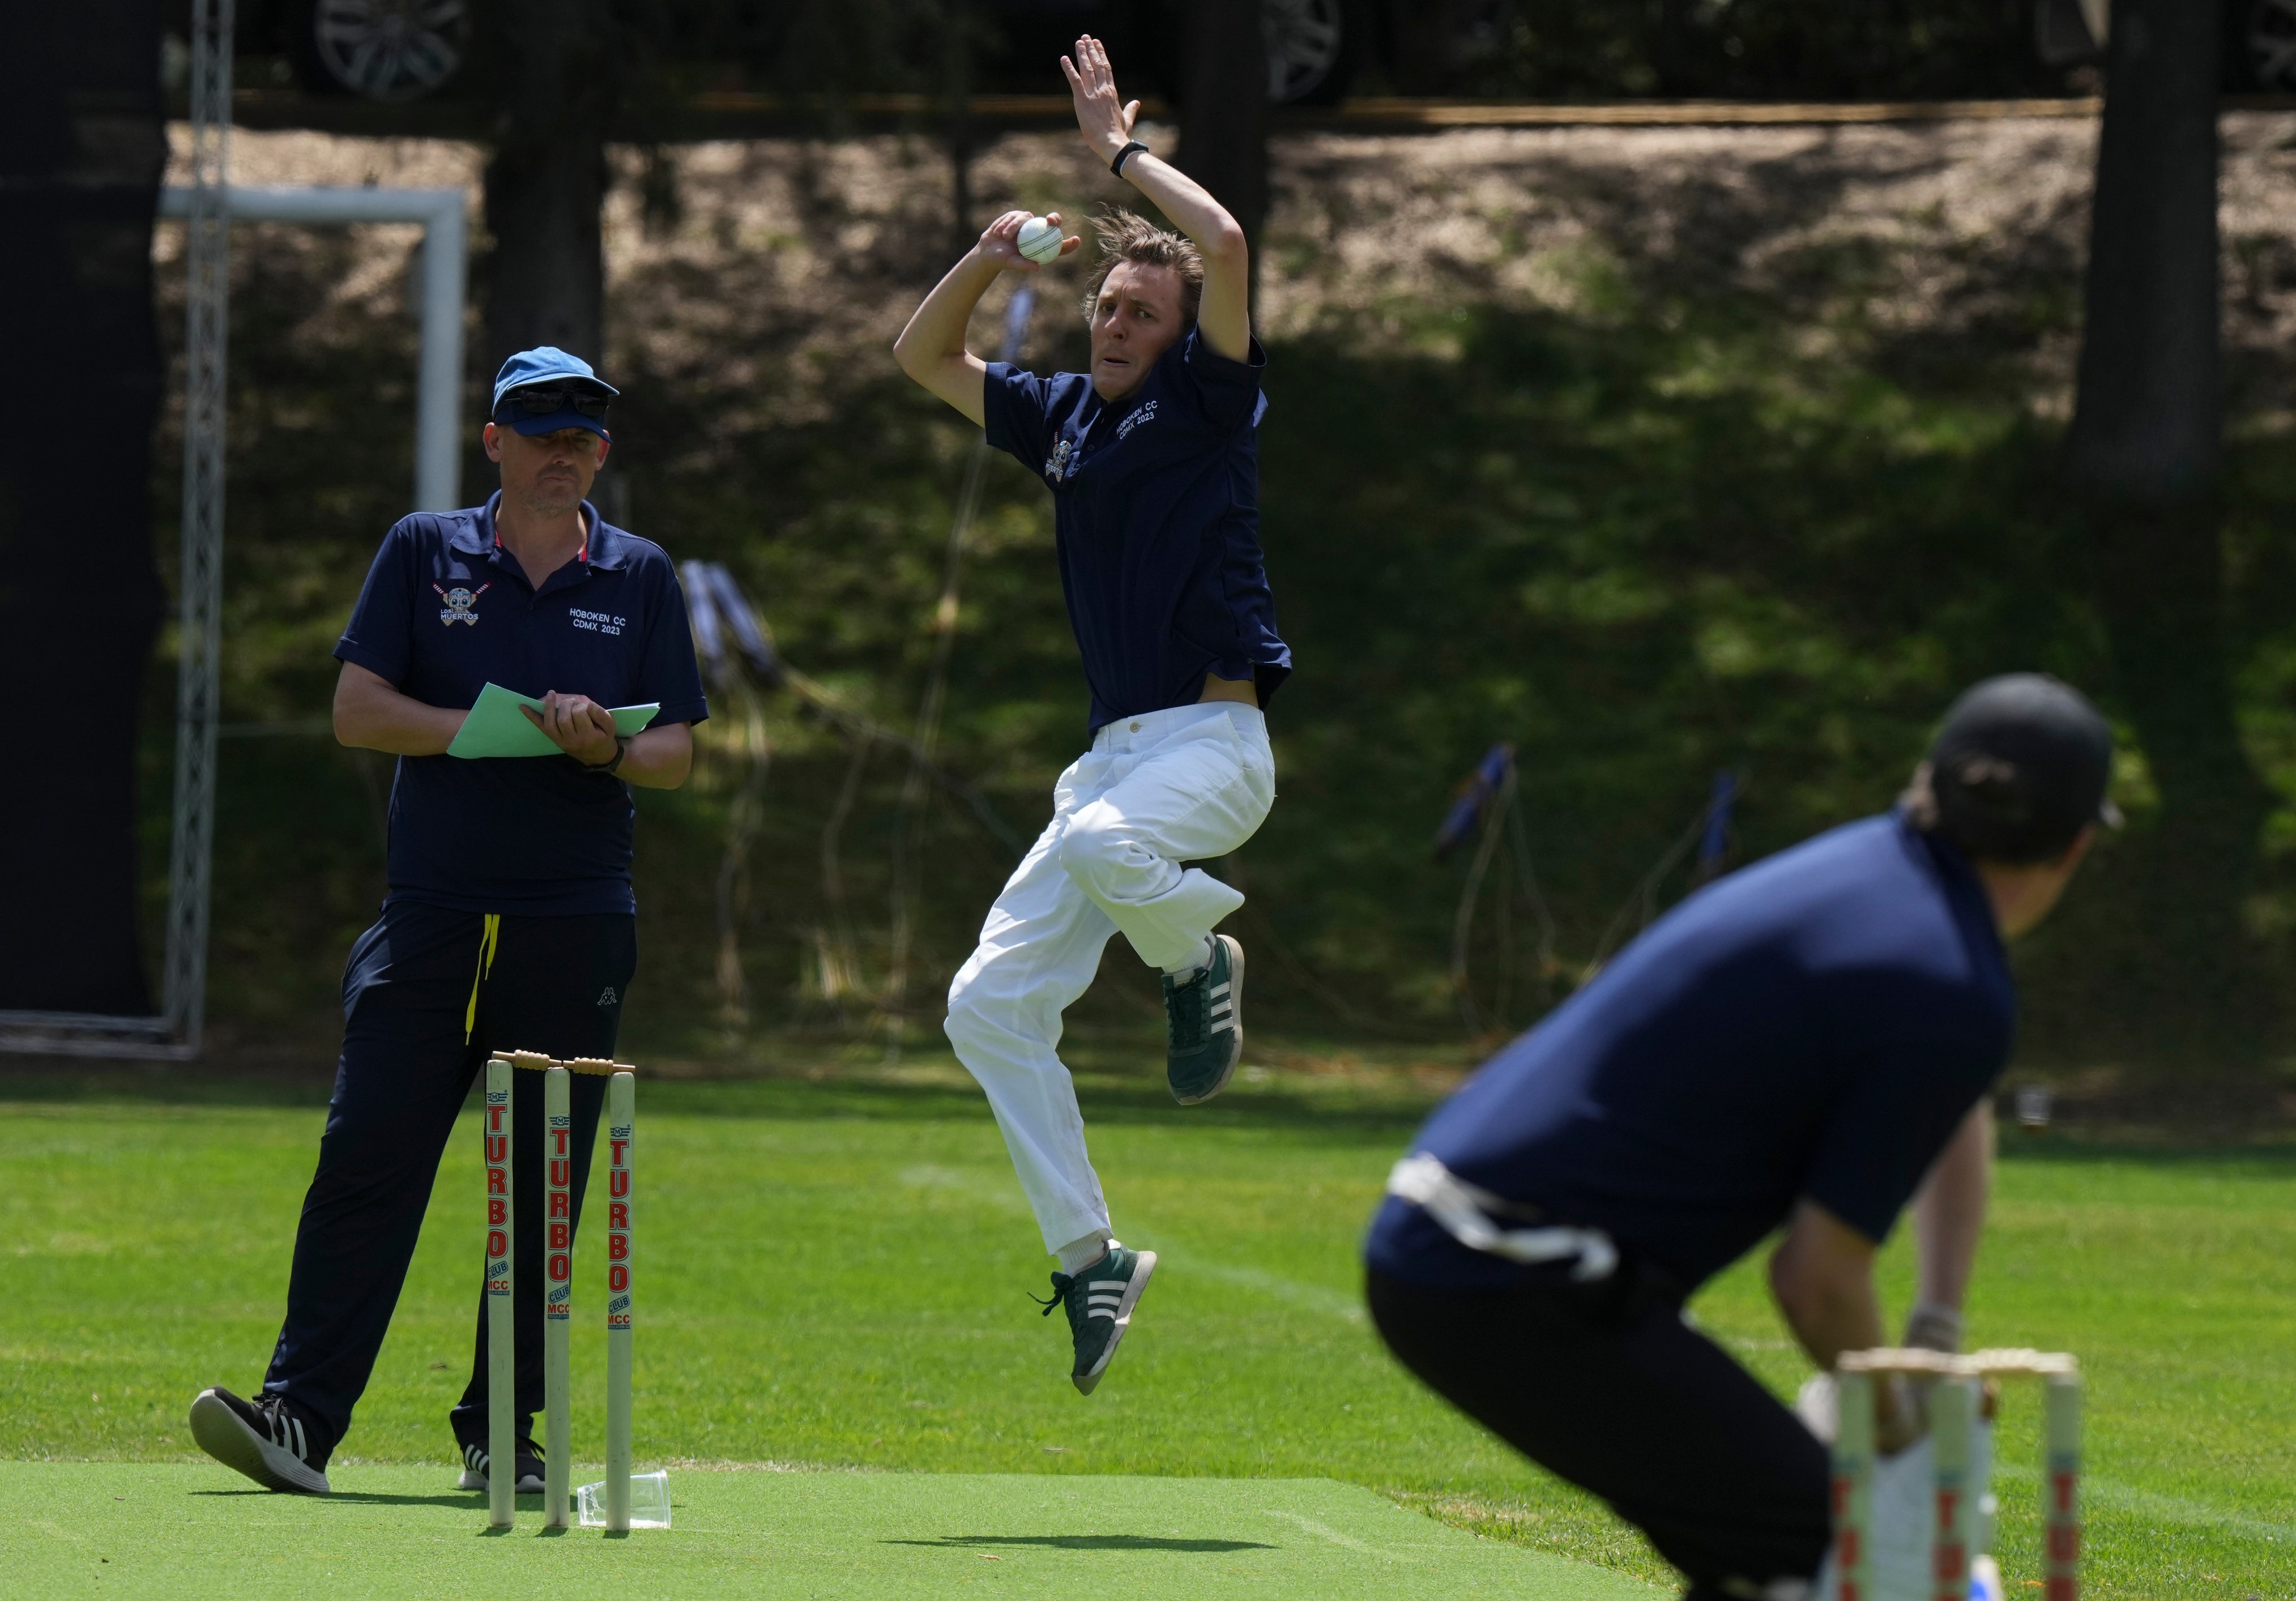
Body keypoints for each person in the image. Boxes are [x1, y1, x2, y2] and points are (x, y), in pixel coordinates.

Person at [1363, 673, 2117, 1600]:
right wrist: (1897, 1420)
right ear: (2078, 847)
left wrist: (1932, 1333)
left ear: (1927, 784)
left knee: (1777, 1544)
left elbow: (1951, 1098)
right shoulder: (1948, 982)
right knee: (1836, 1553)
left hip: (1464, 1245)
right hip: (1510, 1276)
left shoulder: (1873, 883)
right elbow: (1815, 1281)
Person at [187, 347, 706, 1495]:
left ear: (602, 453)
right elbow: (356, 711)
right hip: (430, 916)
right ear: (495, 442)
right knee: (365, 1158)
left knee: (538, 1182)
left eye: (584, 432)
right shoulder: (425, 551)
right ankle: (300, 1422)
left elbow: (672, 751)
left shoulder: (638, 574)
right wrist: (488, 725)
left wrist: (604, 745)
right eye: (541, 428)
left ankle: (499, 1437)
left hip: (573, 920)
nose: (564, 448)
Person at [892, 35, 1292, 1395]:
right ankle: (1089, 1259)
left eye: (1139, 313)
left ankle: (1195, 963)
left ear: (1181, 343)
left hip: (1209, 748)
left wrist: (1112, 149)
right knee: (986, 1004)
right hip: (1109, 769)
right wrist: (993, 255)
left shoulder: (1206, 403)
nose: (1114, 325)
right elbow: (920, 354)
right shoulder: (1063, 416)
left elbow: (1225, 239)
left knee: (1114, 851)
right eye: (1106, 308)